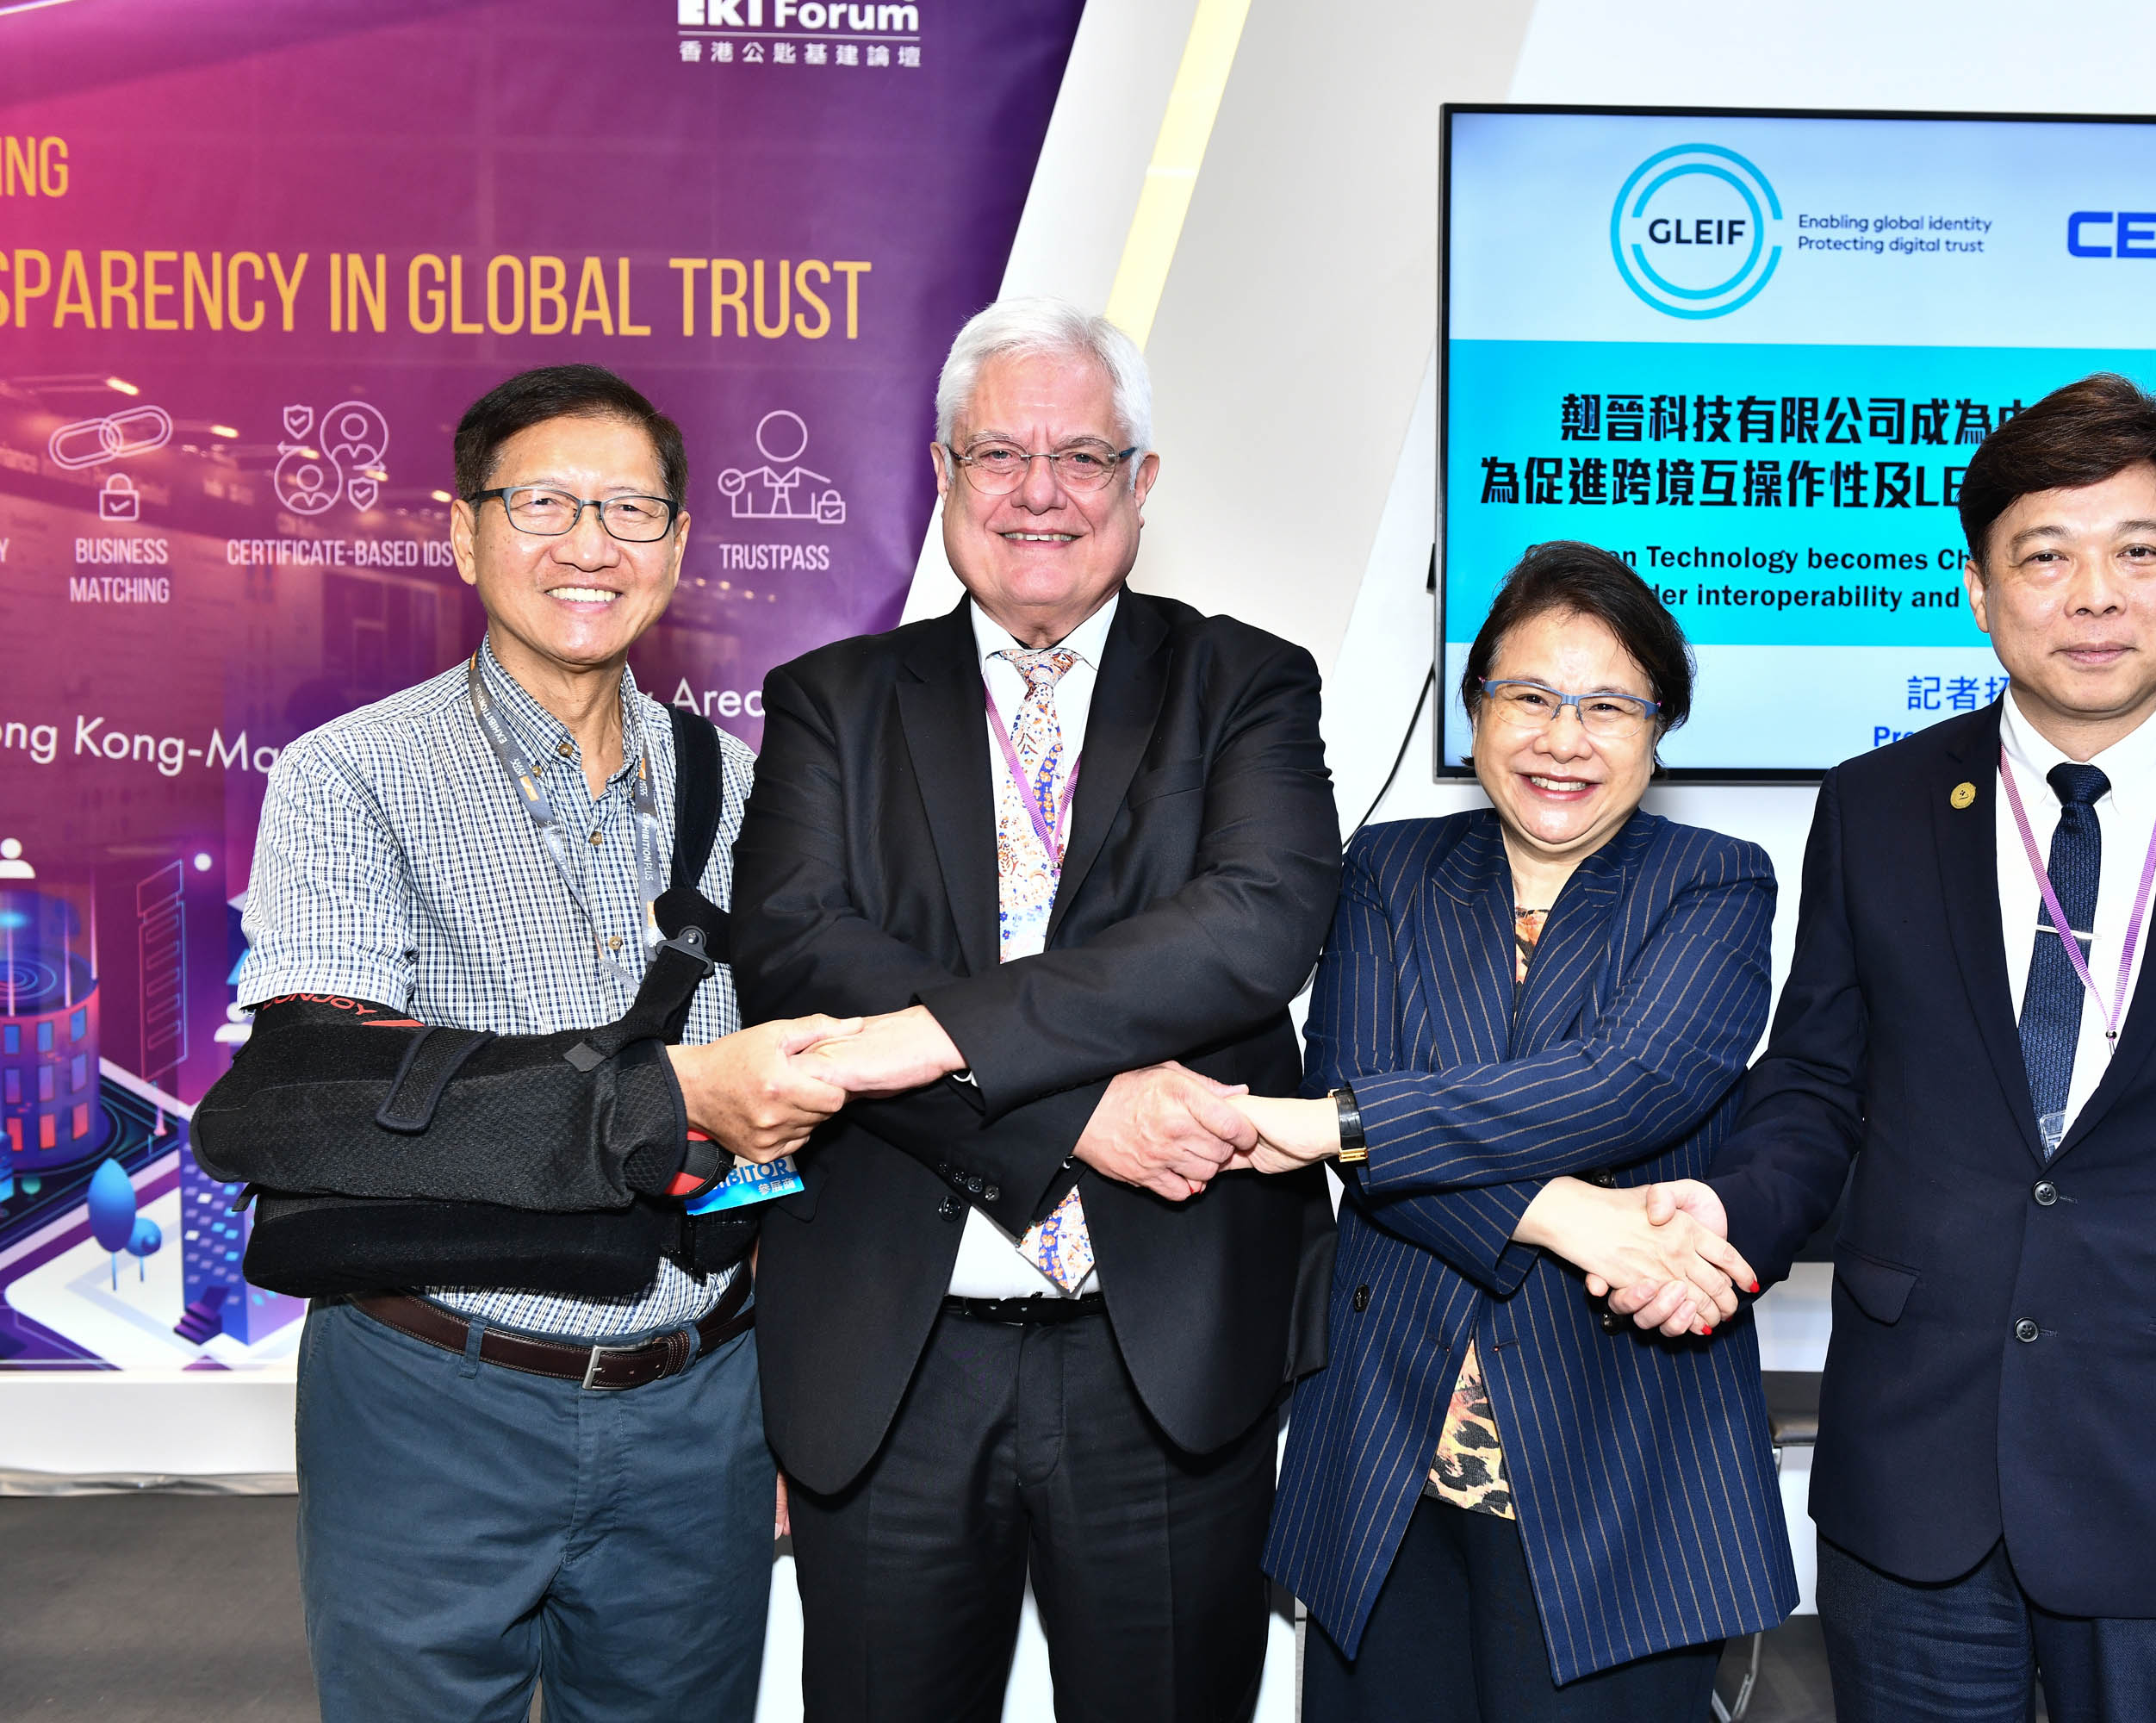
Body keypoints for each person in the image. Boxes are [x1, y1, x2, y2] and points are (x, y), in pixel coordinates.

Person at [1617, 373, 2156, 1722]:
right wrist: (1732, 1210)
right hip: (1914, 1474)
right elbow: (1816, 1083)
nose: (2096, 596)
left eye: (2137, 552)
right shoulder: (1877, 807)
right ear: (1980, 591)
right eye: (2046, 557)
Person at [222, 364, 875, 1722]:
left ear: (677, 546)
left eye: (631, 510)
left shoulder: (741, 788)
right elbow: (331, 1102)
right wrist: (667, 1096)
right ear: (465, 535)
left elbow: (797, 1117)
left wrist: (784, 1396)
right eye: (544, 503)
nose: (591, 543)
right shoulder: (352, 777)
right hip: (431, 1398)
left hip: (698, 1402)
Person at [730, 296, 1344, 1722]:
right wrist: (1076, 1113)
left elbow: (1252, 928)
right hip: (895, 1353)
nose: (1040, 492)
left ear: (1143, 481)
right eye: (999, 453)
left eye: (1083, 455)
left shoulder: (1243, 682)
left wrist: (945, 1036)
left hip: (1167, 1353)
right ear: (943, 473)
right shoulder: (830, 701)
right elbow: (802, 961)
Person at [1229, 541, 1797, 1721]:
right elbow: (1352, 1099)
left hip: (1621, 1468)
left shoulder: (1715, 882)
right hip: (1389, 1459)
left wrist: (1351, 1124)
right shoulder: (1391, 867)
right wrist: (1569, 1218)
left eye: (1609, 706)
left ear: (1660, 728)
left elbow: (1625, 1084)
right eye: (1529, 695)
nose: (1562, 738)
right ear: (1476, 705)